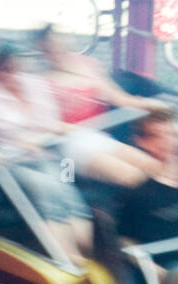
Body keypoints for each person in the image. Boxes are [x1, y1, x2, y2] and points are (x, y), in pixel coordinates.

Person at [0, 46, 93, 263]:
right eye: (6, 70)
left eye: (16, 69)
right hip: (10, 161)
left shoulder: (36, 87)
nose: (12, 76)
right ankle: (67, 257)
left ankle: (88, 253)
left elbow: (50, 123)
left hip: (44, 154)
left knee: (66, 190)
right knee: (46, 188)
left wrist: (53, 131)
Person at [33, 25, 168, 187]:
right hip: (68, 150)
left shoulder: (88, 68)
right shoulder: (43, 82)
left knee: (154, 167)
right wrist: (68, 130)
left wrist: (149, 105)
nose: (56, 51)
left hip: (98, 138)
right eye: (49, 49)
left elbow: (119, 98)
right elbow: (45, 123)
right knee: (132, 176)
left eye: (58, 45)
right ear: (44, 52)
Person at [114, 106, 178, 270]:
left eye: (174, 135)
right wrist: (154, 271)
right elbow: (124, 240)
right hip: (171, 269)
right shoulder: (134, 186)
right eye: (158, 136)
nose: (169, 143)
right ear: (142, 141)